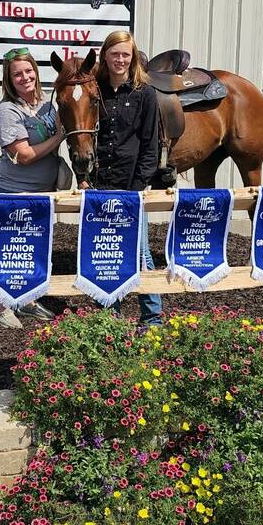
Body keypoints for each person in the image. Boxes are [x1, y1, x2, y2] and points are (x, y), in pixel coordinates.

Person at [89, 30, 163, 327]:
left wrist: (138, 186)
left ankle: (152, 316)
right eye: (115, 53)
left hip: (131, 185)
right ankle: (109, 313)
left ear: (132, 59)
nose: (120, 59)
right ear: (105, 55)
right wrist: (86, 178)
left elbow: (150, 145)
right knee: (103, 250)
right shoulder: (96, 90)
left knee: (140, 250)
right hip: (100, 184)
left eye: (125, 55)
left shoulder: (144, 93)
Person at [0, 47, 65, 329]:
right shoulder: (7, 112)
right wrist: (58, 138)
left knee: (35, 248)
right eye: (17, 74)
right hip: (16, 192)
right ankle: (1, 306)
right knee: (14, 249)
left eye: (29, 71)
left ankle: (27, 300)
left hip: (44, 190)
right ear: (9, 80)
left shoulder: (46, 106)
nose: (25, 77)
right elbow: (22, 155)